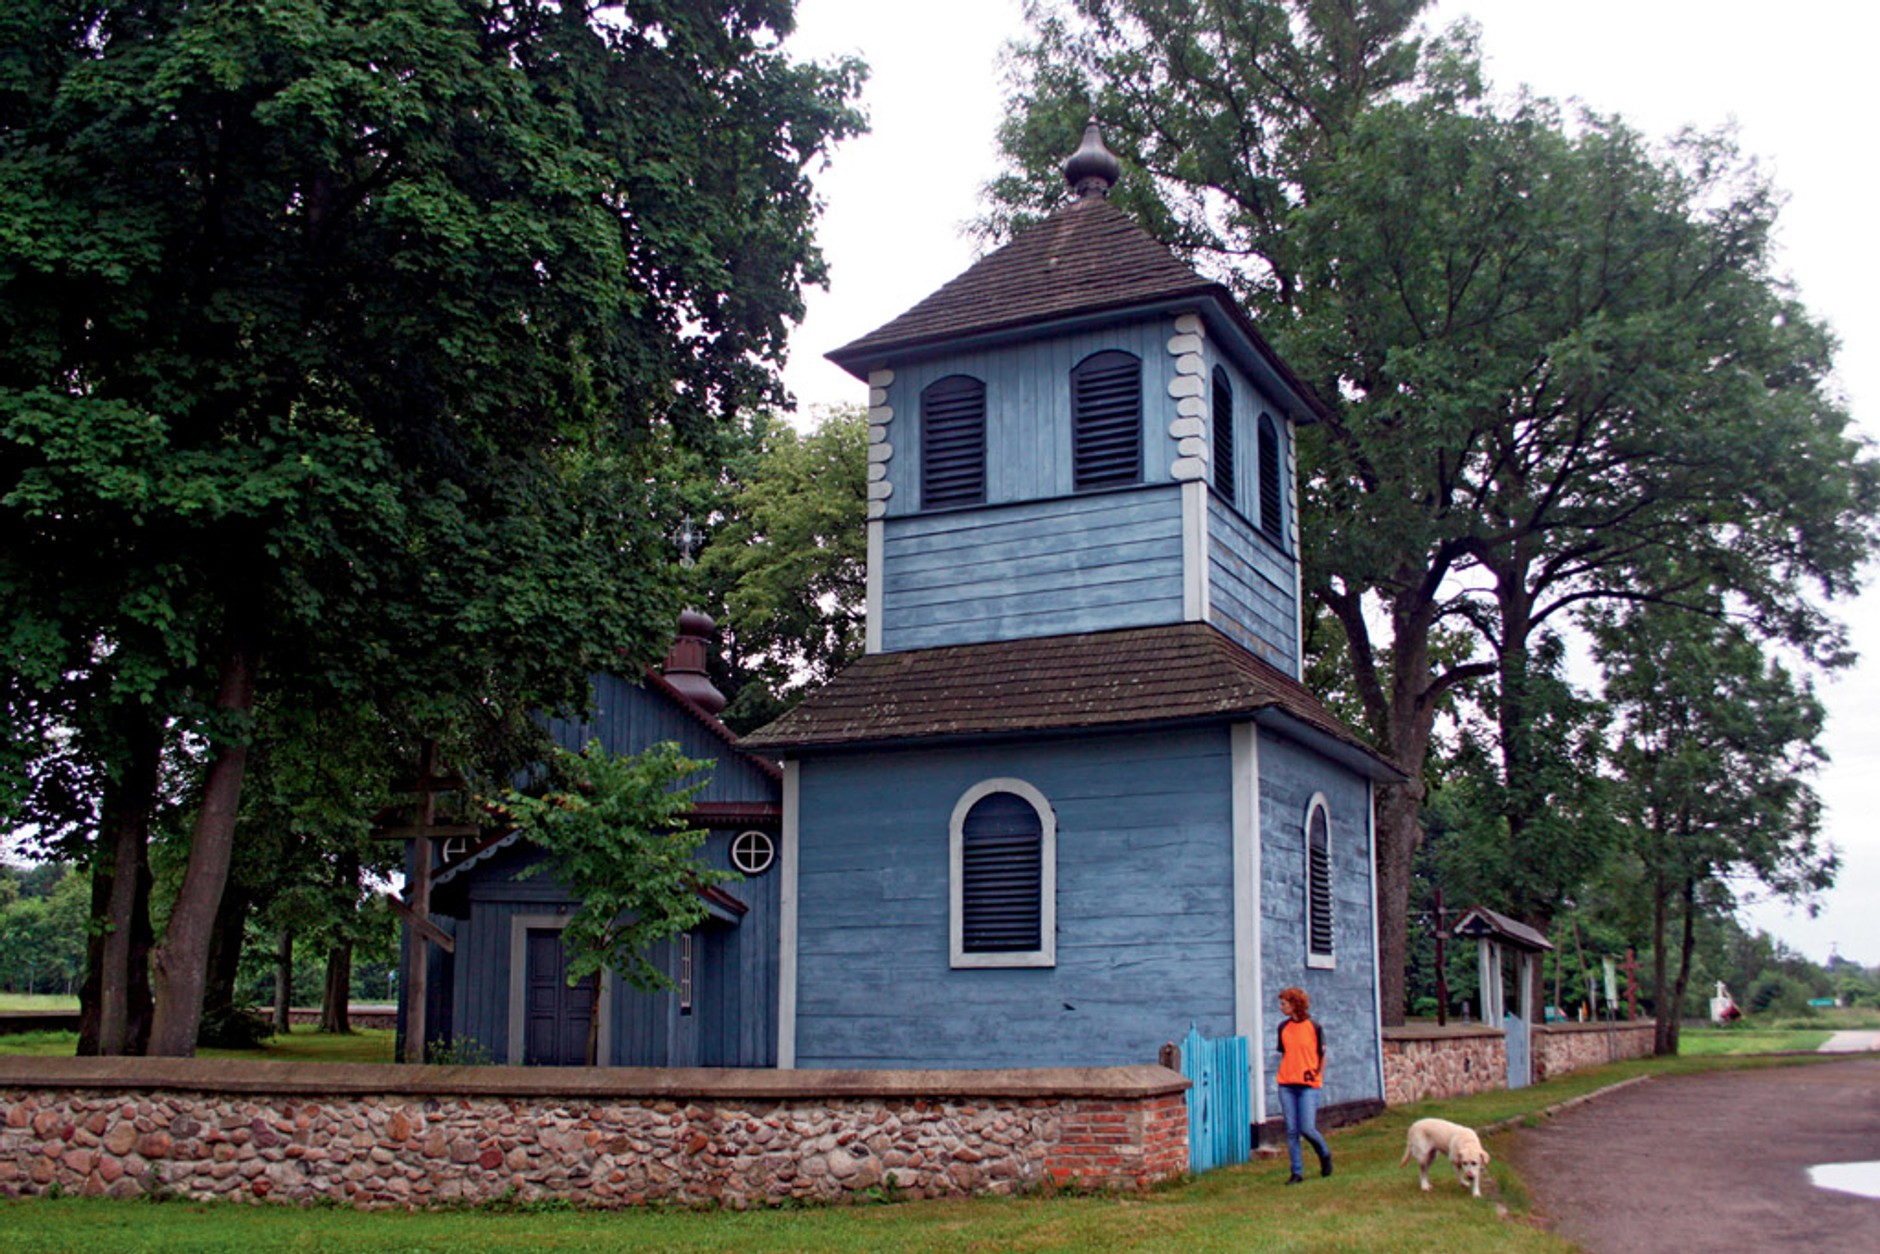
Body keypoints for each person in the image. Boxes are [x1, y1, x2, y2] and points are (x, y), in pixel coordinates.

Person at [1275, 986, 1331, 1184]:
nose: (1281, 1007)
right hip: (1287, 1084)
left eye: (1284, 1004)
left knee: (1307, 1128)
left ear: (1295, 1005)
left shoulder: (1314, 1028)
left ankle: (1324, 1154)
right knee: (1291, 1130)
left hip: (1308, 1085)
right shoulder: (1283, 1028)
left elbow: (1322, 1056)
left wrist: (1319, 1077)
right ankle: (1296, 1172)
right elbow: (1286, 1053)